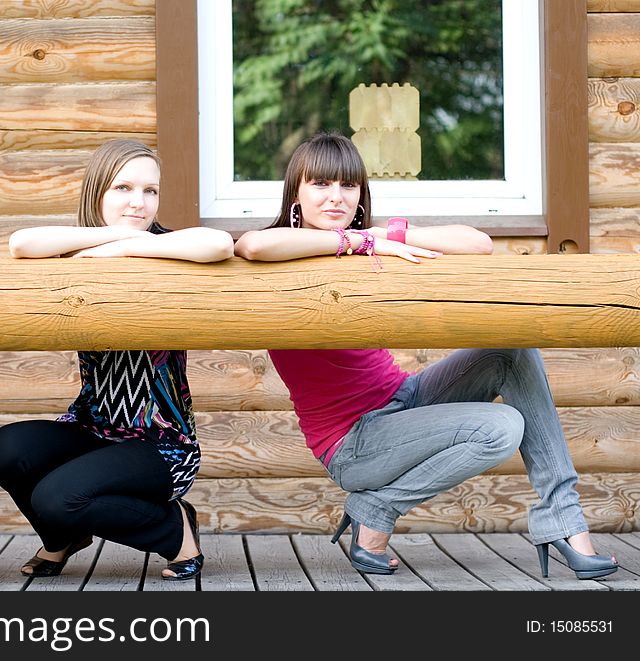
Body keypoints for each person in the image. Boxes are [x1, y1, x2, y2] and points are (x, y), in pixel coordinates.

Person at [234, 131, 618, 580]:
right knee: (500, 428)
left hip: (405, 398)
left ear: (361, 195)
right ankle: (376, 507)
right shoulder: (283, 251)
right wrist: (356, 243)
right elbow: (253, 246)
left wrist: (381, 233)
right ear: (296, 193)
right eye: (320, 184)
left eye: (348, 186)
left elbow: (478, 243)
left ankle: (565, 522)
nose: (335, 198)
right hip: (354, 440)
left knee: (512, 347)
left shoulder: (373, 240)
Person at [0, 139, 234, 581]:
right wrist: (114, 237)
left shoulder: (168, 249)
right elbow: (21, 242)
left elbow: (217, 244)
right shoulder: (80, 245)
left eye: (150, 191)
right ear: (97, 190)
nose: (139, 202)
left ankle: (176, 532)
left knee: (57, 497)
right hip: (91, 429)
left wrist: (129, 246)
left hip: (161, 445)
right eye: (123, 188)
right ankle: (63, 539)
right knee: (6, 450)